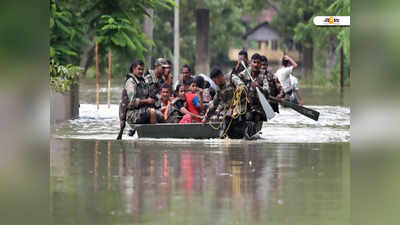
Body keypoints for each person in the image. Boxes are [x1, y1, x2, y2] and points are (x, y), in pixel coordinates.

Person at [232, 53, 270, 138]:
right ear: (250, 62)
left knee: (253, 116)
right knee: (234, 116)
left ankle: (250, 132)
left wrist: (259, 87)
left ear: (261, 64)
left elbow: (267, 91)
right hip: (244, 105)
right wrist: (240, 84)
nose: (256, 65)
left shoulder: (264, 75)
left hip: (257, 107)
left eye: (258, 63)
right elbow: (234, 77)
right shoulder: (245, 72)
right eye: (254, 62)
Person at [203, 67, 247, 139]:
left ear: (219, 77)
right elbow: (214, 104)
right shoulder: (218, 89)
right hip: (228, 111)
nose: (215, 83)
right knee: (226, 120)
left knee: (234, 118)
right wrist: (206, 117)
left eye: (215, 81)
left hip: (241, 106)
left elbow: (242, 86)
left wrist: (240, 87)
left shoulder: (232, 78)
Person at [124, 59, 164, 126]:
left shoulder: (142, 82)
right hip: (132, 114)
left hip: (142, 111)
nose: (141, 71)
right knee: (153, 112)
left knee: (161, 114)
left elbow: (151, 95)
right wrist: (147, 101)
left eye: (142, 69)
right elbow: (132, 102)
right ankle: (153, 133)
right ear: (133, 69)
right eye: (139, 69)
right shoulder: (131, 82)